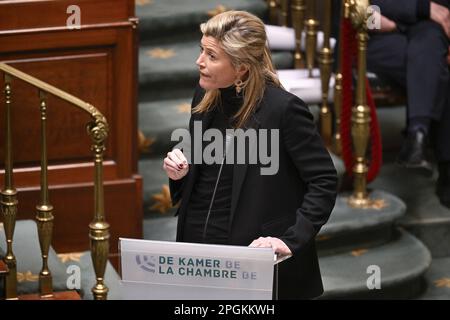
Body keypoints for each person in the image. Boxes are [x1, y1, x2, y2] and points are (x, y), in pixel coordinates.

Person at [162, 11, 338, 299]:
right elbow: (205, 162)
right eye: (201, 50)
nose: (199, 62)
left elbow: (324, 181)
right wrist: (180, 169)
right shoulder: (206, 95)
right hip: (197, 247)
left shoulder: (283, 110)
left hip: (252, 256)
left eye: (211, 55)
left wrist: (291, 240)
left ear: (241, 67)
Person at [366, 0, 450, 208]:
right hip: (377, 39)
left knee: (432, 51)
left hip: (430, 38)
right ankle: (442, 163)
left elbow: (445, 12)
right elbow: (363, 12)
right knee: (435, 67)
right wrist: (422, 10)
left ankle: (417, 138)